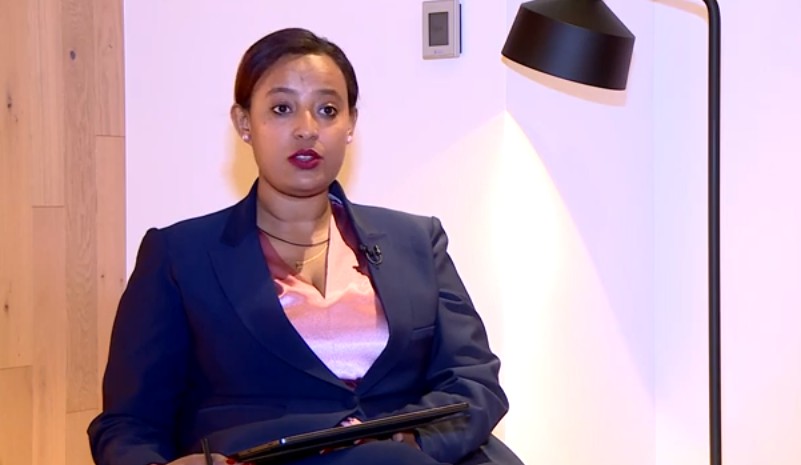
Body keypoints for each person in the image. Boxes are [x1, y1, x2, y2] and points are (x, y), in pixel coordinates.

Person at [88, 28, 523, 465]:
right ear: (244, 123)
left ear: (351, 124)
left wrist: (414, 441)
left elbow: (473, 380)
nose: (307, 130)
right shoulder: (179, 256)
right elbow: (128, 422)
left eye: (327, 110)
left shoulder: (417, 241)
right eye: (282, 109)